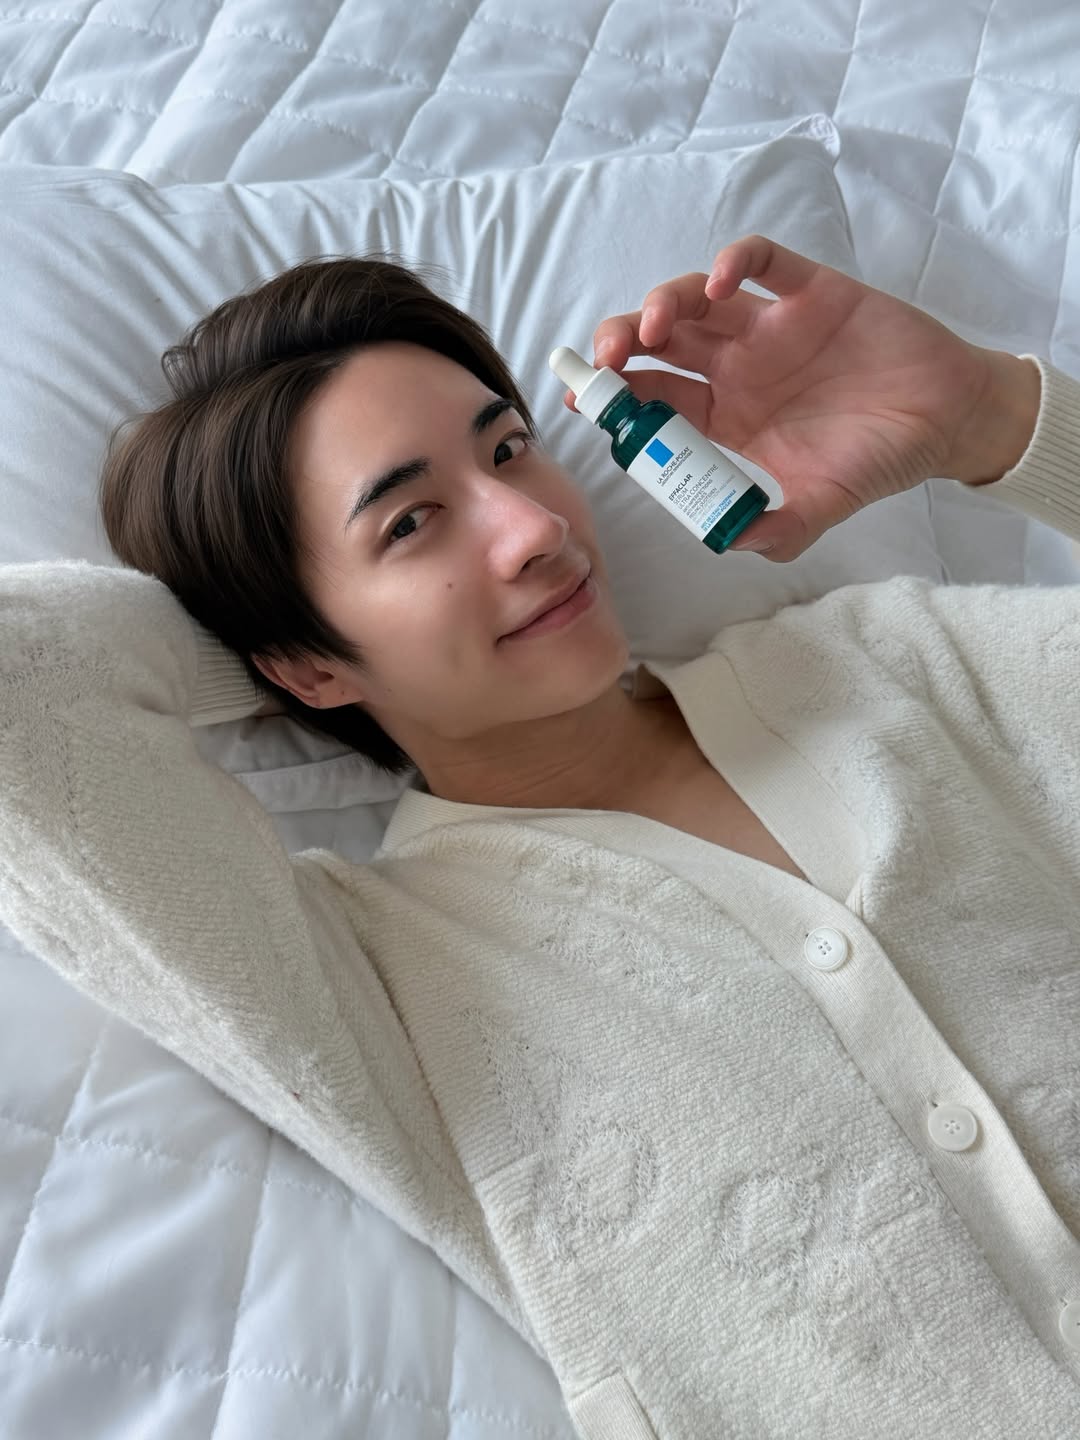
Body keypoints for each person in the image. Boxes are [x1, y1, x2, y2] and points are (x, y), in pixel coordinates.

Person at [2, 237, 1078, 1438]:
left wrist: (989, 417)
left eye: (509, 449)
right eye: (412, 522)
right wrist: (255, 638)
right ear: (302, 663)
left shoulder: (887, 667)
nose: (533, 528)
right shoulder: (376, 983)